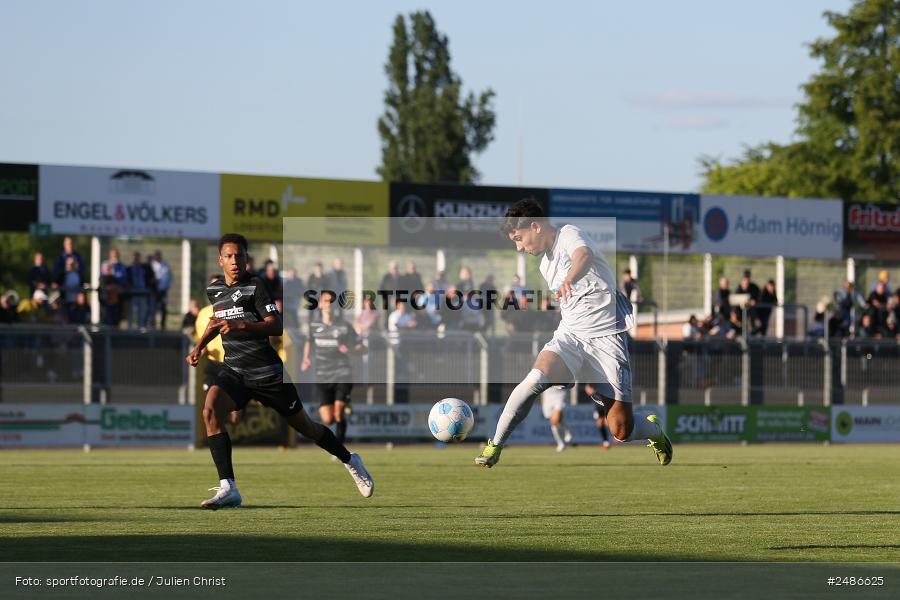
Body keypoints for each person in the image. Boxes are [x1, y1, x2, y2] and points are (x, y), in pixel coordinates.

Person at [475, 199, 672, 468]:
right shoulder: (545, 264)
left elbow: (584, 256)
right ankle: (494, 445)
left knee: (621, 431)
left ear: (535, 226)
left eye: (519, 239)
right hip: (571, 337)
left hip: (607, 338)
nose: (519, 247)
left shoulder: (569, 233)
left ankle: (653, 431)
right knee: (533, 381)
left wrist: (571, 278)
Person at [186, 233, 373, 509]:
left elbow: (276, 325)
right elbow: (215, 321)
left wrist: (243, 326)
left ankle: (350, 460)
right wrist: (200, 346)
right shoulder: (214, 290)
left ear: (247, 259)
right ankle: (229, 487)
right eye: (229, 256)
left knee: (306, 427)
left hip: (267, 373)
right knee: (210, 411)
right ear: (220, 260)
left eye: (240, 256)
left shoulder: (255, 286)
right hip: (235, 370)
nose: (235, 261)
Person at [301, 291, 364, 444]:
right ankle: (344, 405)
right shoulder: (314, 326)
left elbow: (361, 347)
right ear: (321, 304)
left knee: (338, 414)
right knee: (328, 419)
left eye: (332, 301)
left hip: (342, 372)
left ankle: (339, 447)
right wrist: (305, 359)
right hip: (322, 374)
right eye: (326, 301)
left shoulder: (344, 326)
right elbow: (309, 342)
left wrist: (349, 348)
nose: (329, 304)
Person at [127, 252, 155, 329]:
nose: (136, 259)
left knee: (142, 312)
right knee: (131, 312)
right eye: (134, 258)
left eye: (137, 257)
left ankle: (140, 327)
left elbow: (151, 278)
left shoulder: (145, 268)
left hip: (143, 293)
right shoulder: (129, 268)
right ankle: (129, 328)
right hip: (132, 293)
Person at [540, 386, 573, 452]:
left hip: (559, 394)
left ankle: (561, 443)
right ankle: (565, 436)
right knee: (554, 422)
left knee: (556, 420)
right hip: (547, 395)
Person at [151, 250, 172, 329]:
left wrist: (167, 286)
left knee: (163, 308)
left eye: (159, 255)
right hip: (154, 291)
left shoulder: (165, 265)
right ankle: (153, 325)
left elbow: (169, 277)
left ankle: (162, 325)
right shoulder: (152, 265)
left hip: (163, 291)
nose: (158, 257)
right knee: (153, 308)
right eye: (156, 255)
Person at [586, 383, 611, 449]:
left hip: (608, 400)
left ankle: (616, 437)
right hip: (598, 403)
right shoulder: (593, 377)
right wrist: (593, 392)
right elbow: (588, 388)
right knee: (600, 423)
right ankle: (606, 442)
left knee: (608, 422)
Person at [98, 263, 124, 327]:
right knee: (106, 321)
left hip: (114, 304)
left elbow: (119, 288)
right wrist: (112, 287)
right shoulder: (102, 279)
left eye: (109, 269)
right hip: (106, 304)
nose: (108, 270)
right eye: (107, 269)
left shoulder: (113, 278)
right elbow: (105, 288)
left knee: (114, 322)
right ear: (103, 270)